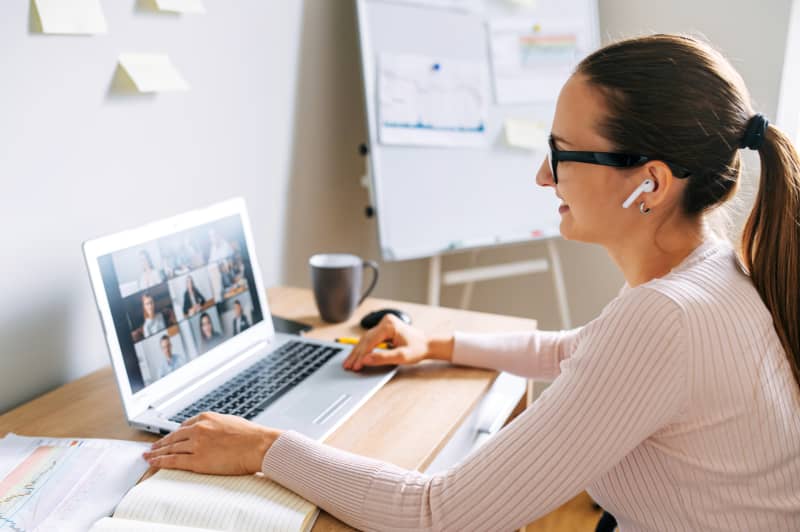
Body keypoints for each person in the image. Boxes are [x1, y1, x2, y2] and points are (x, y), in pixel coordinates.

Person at [143, 35, 800, 530]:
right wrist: (434, 344)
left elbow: (439, 515)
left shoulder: (667, 317)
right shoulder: (708, 273)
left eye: (563, 154)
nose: (543, 176)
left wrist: (265, 447)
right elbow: (577, 352)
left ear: (649, 184)